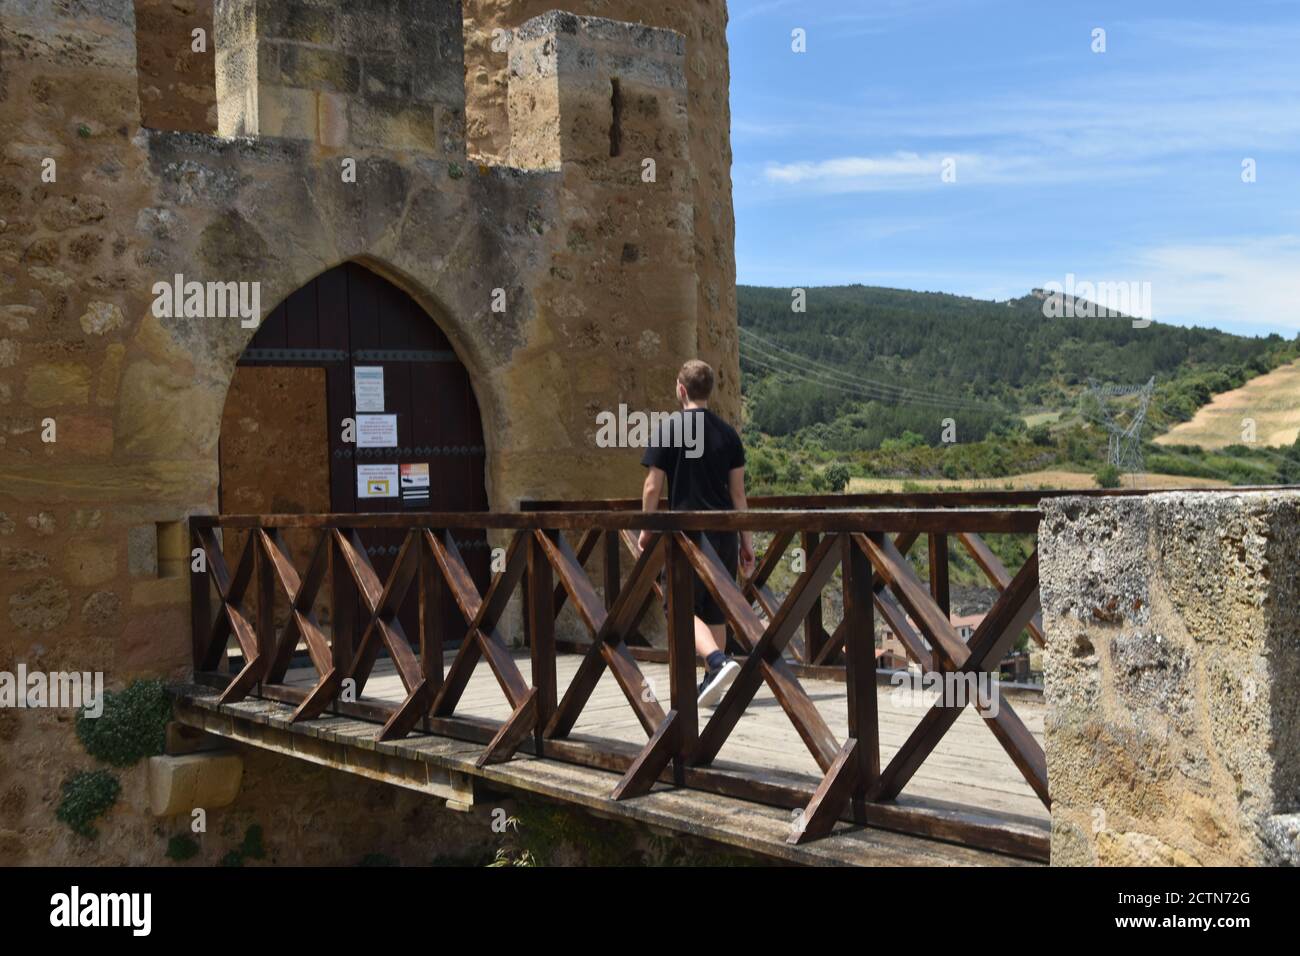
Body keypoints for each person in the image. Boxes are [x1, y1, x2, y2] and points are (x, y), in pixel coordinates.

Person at [638, 360, 754, 706]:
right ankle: (713, 681)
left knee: (678, 606)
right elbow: (738, 494)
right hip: (723, 533)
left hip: (686, 535)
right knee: (715, 607)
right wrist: (746, 541)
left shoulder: (669, 429)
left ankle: (716, 662)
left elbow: (651, 486)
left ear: (681, 390)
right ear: (710, 391)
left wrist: (648, 527)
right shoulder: (728, 434)